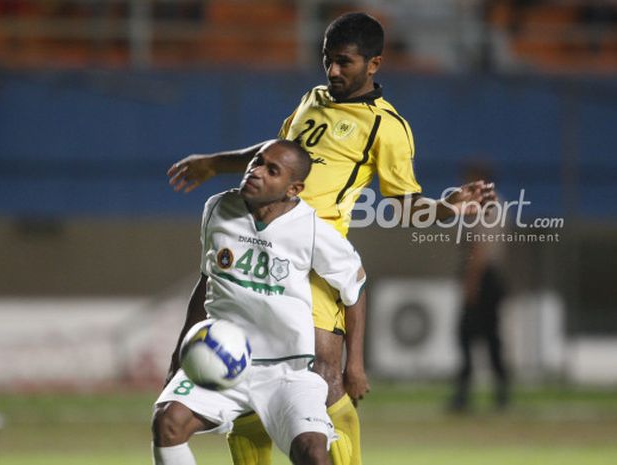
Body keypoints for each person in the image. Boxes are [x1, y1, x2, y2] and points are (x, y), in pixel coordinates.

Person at [167, 12, 496, 465]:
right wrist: (214, 162)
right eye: (328, 61)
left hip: (314, 258)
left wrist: (448, 207)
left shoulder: (386, 127)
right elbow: (271, 156)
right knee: (244, 372)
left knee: (325, 378)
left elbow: (403, 205)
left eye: (344, 62)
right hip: (257, 244)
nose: (333, 71)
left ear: (374, 64)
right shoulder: (312, 99)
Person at [153, 139, 367, 465]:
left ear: (293, 188)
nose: (255, 172)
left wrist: (354, 365)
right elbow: (207, 281)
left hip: (288, 370)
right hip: (222, 360)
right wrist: (180, 352)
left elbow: (355, 289)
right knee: (167, 424)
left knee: (312, 452)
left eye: (272, 170)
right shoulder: (218, 208)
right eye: (256, 161)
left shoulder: (312, 231)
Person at [449, 162, 509, 413]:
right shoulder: (498, 203)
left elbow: (479, 249)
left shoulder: (483, 206)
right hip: (491, 279)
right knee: (491, 337)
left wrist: (470, 285)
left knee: (467, 336)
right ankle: (501, 393)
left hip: (483, 279)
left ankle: (464, 395)